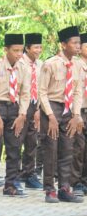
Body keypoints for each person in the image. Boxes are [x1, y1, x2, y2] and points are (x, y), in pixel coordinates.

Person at [39, 26, 84, 203]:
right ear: (63, 44)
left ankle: (64, 188)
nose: (78, 46)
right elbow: (42, 92)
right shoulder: (50, 64)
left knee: (68, 149)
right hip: (52, 109)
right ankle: (49, 189)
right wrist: (50, 116)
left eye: (79, 43)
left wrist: (77, 114)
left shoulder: (79, 65)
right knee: (51, 149)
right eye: (74, 43)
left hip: (69, 109)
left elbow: (78, 91)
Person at [0, 34, 30, 197]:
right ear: (6, 50)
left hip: (15, 110)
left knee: (14, 148)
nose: (19, 54)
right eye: (15, 50)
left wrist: (22, 114)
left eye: (21, 50)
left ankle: (10, 185)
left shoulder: (24, 68)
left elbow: (25, 93)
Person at [17, 33, 44, 189]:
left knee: (32, 141)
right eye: (35, 47)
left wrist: (38, 108)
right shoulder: (20, 63)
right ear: (27, 48)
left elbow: (41, 88)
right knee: (16, 140)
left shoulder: (40, 65)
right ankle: (14, 174)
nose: (38, 50)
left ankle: (29, 174)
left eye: (40, 47)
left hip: (34, 106)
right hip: (20, 106)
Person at [71, 32, 87, 197]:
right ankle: (75, 183)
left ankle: (85, 181)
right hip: (79, 111)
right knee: (78, 147)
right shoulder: (75, 65)